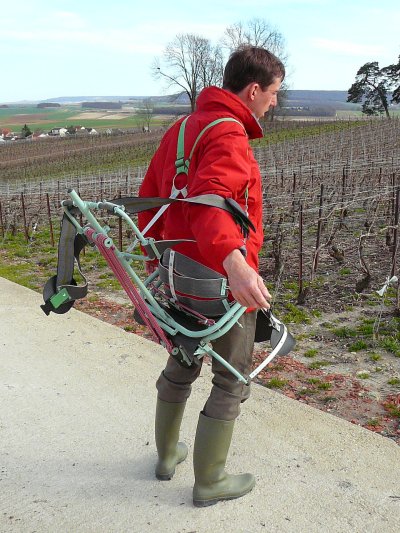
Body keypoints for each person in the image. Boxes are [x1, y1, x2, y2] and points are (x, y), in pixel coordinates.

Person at [138, 46, 285, 507]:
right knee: (231, 377)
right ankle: (210, 481)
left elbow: (150, 198)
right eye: (274, 92)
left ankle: (166, 456)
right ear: (254, 89)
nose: (275, 102)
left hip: (176, 270)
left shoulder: (182, 129)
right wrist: (236, 265)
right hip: (218, 277)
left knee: (183, 357)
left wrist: (156, 265)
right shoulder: (229, 133)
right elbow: (211, 203)